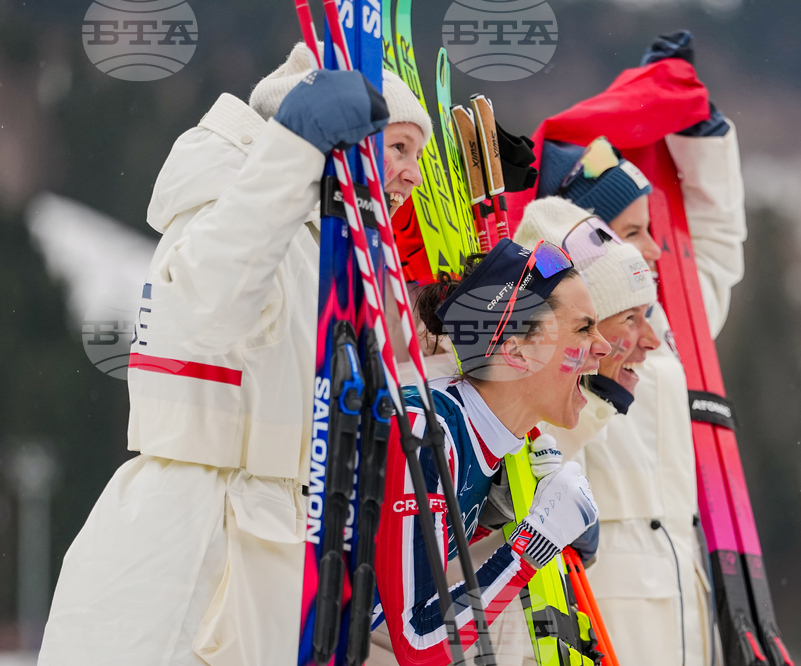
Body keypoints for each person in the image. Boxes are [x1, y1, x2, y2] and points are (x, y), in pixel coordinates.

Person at [39, 42, 432, 666]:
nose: (413, 173)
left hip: (278, 537)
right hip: (195, 544)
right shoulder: (233, 210)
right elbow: (208, 306)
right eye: (399, 148)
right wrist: (296, 151)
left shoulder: (326, 251)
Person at [507, 31, 747, 666]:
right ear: (586, 237)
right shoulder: (547, 333)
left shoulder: (665, 326)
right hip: (602, 588)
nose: (654, 247)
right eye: (634, 231)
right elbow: (543, 437)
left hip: (684, 586)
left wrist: (701, 134)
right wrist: (600, 380)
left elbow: (717, 253)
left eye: (652, 228)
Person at [368, 238, 609, 666]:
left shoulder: (482, 439)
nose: (603, 346)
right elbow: (419, 643)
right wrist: (535, 542)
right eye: (583, 328)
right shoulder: (425, 429)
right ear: (516, 350)